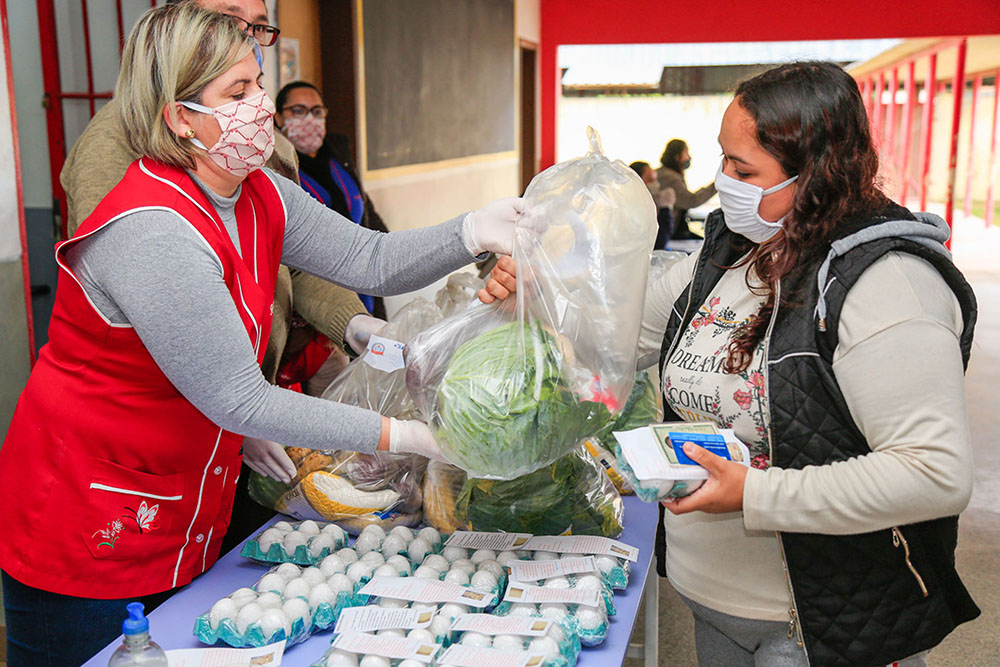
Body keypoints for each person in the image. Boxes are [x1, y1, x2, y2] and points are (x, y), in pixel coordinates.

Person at [0, 6, 520, 664]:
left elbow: (370, 260)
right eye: (237, 94)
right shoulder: (152, 228)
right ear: (179, 117)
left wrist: (474, 229)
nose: (263, 110)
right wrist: (412, 436)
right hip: (87, 522)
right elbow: (241, 400)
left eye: (258, 84)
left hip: (183, 499)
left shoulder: (258, 192)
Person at [482, 61, 979, 666]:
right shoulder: (729, 258)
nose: (723, 183)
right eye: (722, 160)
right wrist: (535, 292)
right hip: (712, 602)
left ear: (817, 174)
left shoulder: (888, 284)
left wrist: (756, 493)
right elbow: (608, 339)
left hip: (816, 626)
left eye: (744, 170)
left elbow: (934, 473)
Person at [58, 0, 376, 555]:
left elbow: (301, 255)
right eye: (230, 20)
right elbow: (149, 302)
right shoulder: (114, 152)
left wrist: (354, 324)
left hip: (235, 419)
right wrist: (242, 411)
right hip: (143, 445)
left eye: (258, 28)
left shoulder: (257, 144)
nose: (246, 39)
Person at [271, 80, 390, 393]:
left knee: (367, 377)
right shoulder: (275, 171)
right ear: (279, 118)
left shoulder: (338, 155)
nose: (309, 119)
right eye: (298, 111)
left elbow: (365, 211)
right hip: (313, 303)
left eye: (316, 111)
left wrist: (386, 256)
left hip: (360, 286)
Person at [657, 138, 716, 240]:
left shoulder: (665, 174)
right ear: (677, 156)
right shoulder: (670, 178)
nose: (689, 157)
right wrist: (717, 185)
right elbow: (690, 200)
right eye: (686, 153)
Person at [631, 159, 677, 250]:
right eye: (650, 179)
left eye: (655, 179)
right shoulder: (634, 208)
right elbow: (659, 243)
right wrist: (665, 210)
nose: (655, 184)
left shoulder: (650, 205)